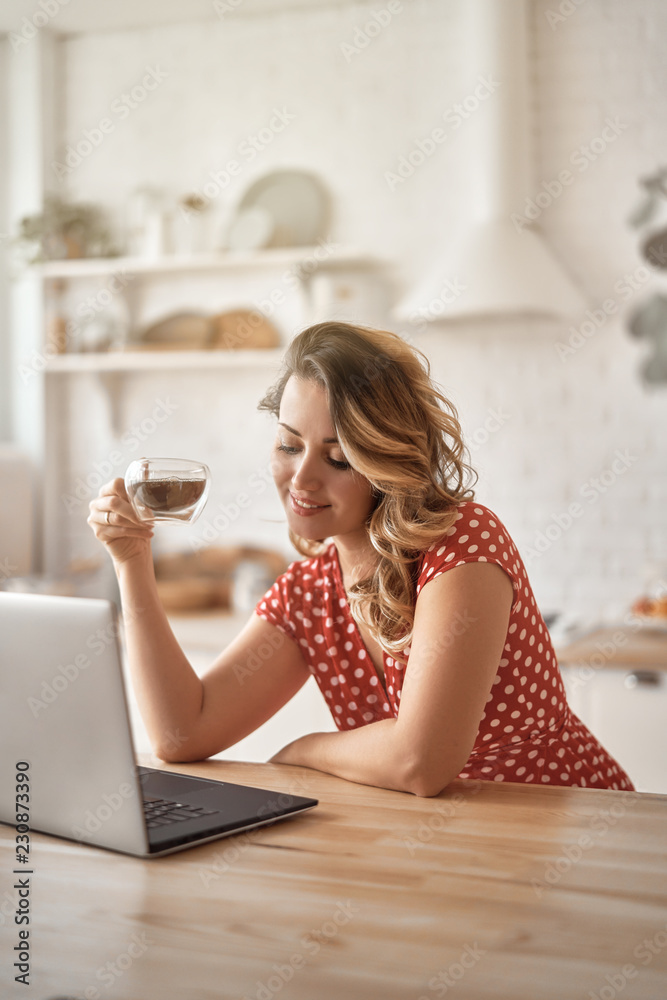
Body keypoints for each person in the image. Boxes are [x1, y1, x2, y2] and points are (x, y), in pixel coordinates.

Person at [88, 321, 635, 796]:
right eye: (288, 445)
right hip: (452, 858)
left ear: (386, 462)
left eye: (338, 458)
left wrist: (306, 749)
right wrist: (132, 562)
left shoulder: (464, 544)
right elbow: (182, 733)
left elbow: (420, 761)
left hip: (573, 832)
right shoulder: (310, 591)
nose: (301, 478)